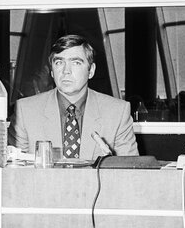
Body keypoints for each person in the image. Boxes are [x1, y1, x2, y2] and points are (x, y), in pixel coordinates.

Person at [8, 34, 137, 160]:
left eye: (76, 62)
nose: (66, 71)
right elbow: (15, 172)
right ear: (52, 71)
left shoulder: (117, 113)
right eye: (59, 62)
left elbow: (131, 173)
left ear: (91, 70)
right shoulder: (25, 111)